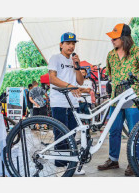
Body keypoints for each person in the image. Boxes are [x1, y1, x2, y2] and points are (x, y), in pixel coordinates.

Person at [97, 23, 139, 176]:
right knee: (114, 130)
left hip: (133, 99)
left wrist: (135, 87)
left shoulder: (138, 53)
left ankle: (134, 163)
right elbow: (111, 75)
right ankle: (113, 160)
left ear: (125, 38)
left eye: (115, 38)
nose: (112, 41)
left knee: (134, 132)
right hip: (116, 99)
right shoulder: (111, 55)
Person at [48, 32, 84, 175]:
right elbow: (52, 78)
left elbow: (80, 81)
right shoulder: (55, 58)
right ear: (61, 45)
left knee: (72, 133)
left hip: (74, 103)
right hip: (59, 102)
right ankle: (61, 166)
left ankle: (71, 164)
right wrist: (69, 86)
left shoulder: (74, 61)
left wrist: (77, 66)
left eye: (73, 43)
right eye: (68, 43)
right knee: (61, 134)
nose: (71, 46)